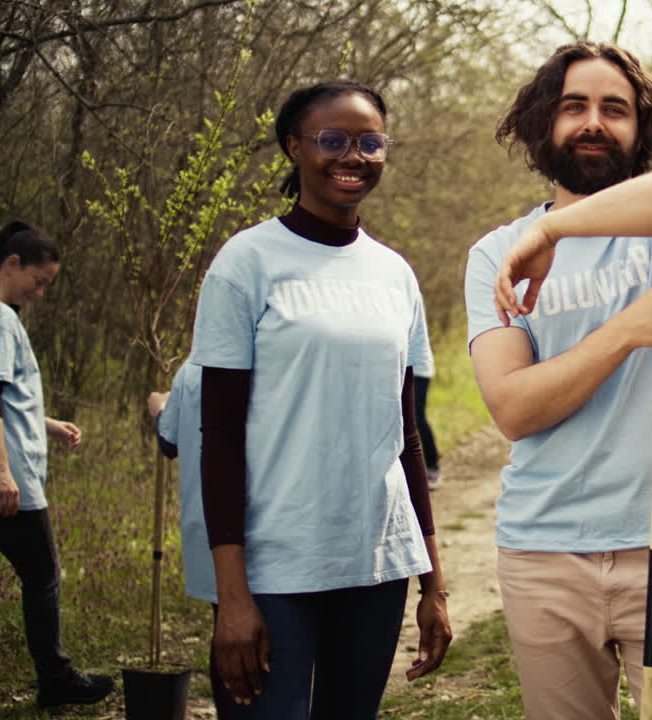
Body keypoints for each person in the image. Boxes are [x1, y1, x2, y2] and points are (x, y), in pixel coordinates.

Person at [464, 42, 652, 719]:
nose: (594, 122)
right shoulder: (497, 255)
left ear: (641, 129)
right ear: (543, 125)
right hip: (545, 551)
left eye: (614, 109)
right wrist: (625, 330)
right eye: (574, 107)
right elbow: (514, 409)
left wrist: (555, 229)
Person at [189, 80, 451, 719]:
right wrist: (234, 596)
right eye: (332, 140)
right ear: (293, 148)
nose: (352, 156)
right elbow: (217, 435)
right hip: (274, 569)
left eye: (370, 142)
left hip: (375, 566)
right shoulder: (246, 263)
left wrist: (433, 582)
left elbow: (406, 434)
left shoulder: (395, 274)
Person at [0, 221, 114, 709]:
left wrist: (50, 423)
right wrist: (2, 471)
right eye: (38, 282)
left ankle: (55, 677)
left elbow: (7, 399)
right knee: (43, 577)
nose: (38, 293)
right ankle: (56, 679)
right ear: (13, 264)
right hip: (10, 480)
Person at [148, 361, 235, 717]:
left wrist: (159, 409)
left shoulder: (194, 369)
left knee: (226, 624)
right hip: (252, 522)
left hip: (214, 525)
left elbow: (169, 442)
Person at [409, 310, 441, 489]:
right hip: (405, 368)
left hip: (418, 369)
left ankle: (433, 467)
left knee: (417, 418)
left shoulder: (407, 289)